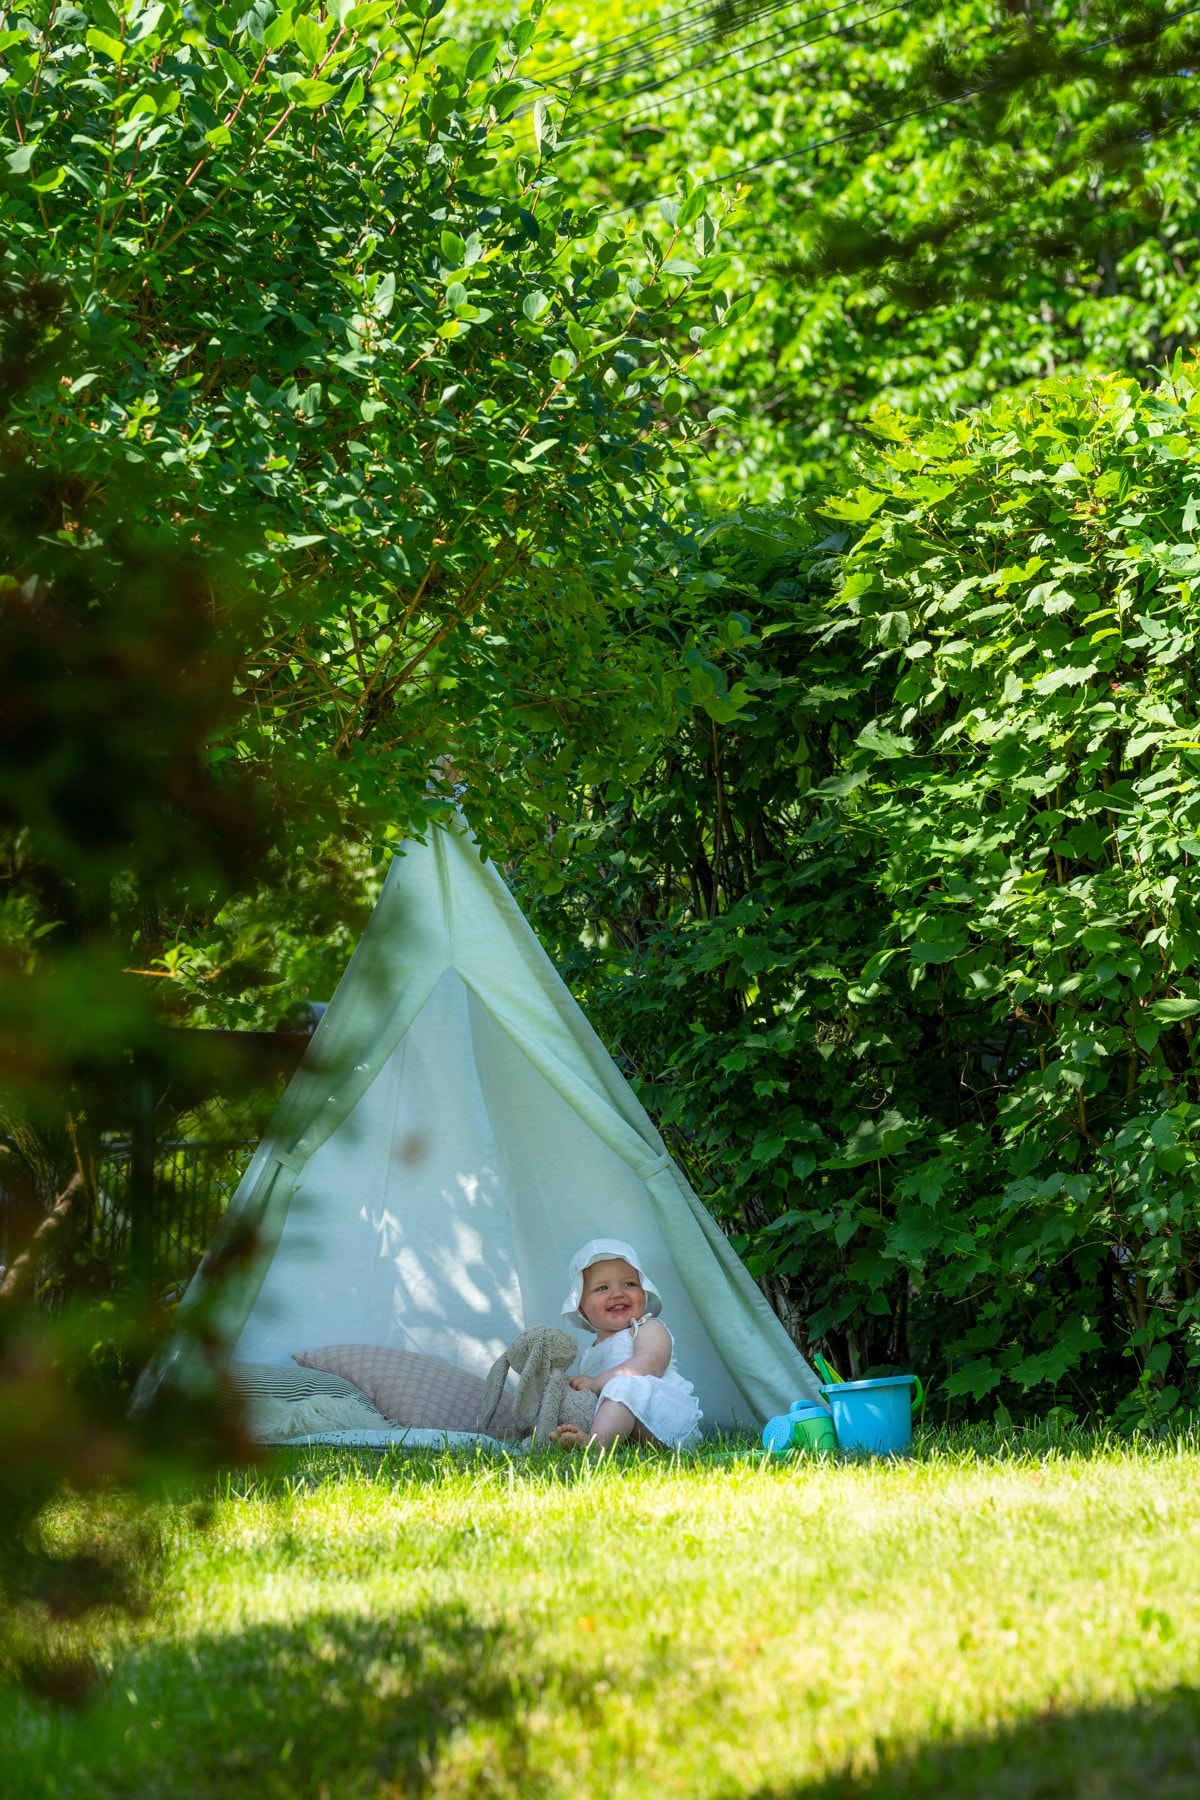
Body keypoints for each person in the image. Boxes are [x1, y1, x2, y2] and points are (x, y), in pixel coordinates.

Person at [550, 1237, 703, 1450]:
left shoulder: (646, 1327)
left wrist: (597, 1382)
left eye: (629, 1284)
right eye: (602, 1288)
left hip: (668, 1422)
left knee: (622, 1382)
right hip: (632, 1433)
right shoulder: (589, 1356)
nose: (617, 1293)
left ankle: (597, 1446)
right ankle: (587, 1438)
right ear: (582, 1309)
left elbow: (650, 1363)